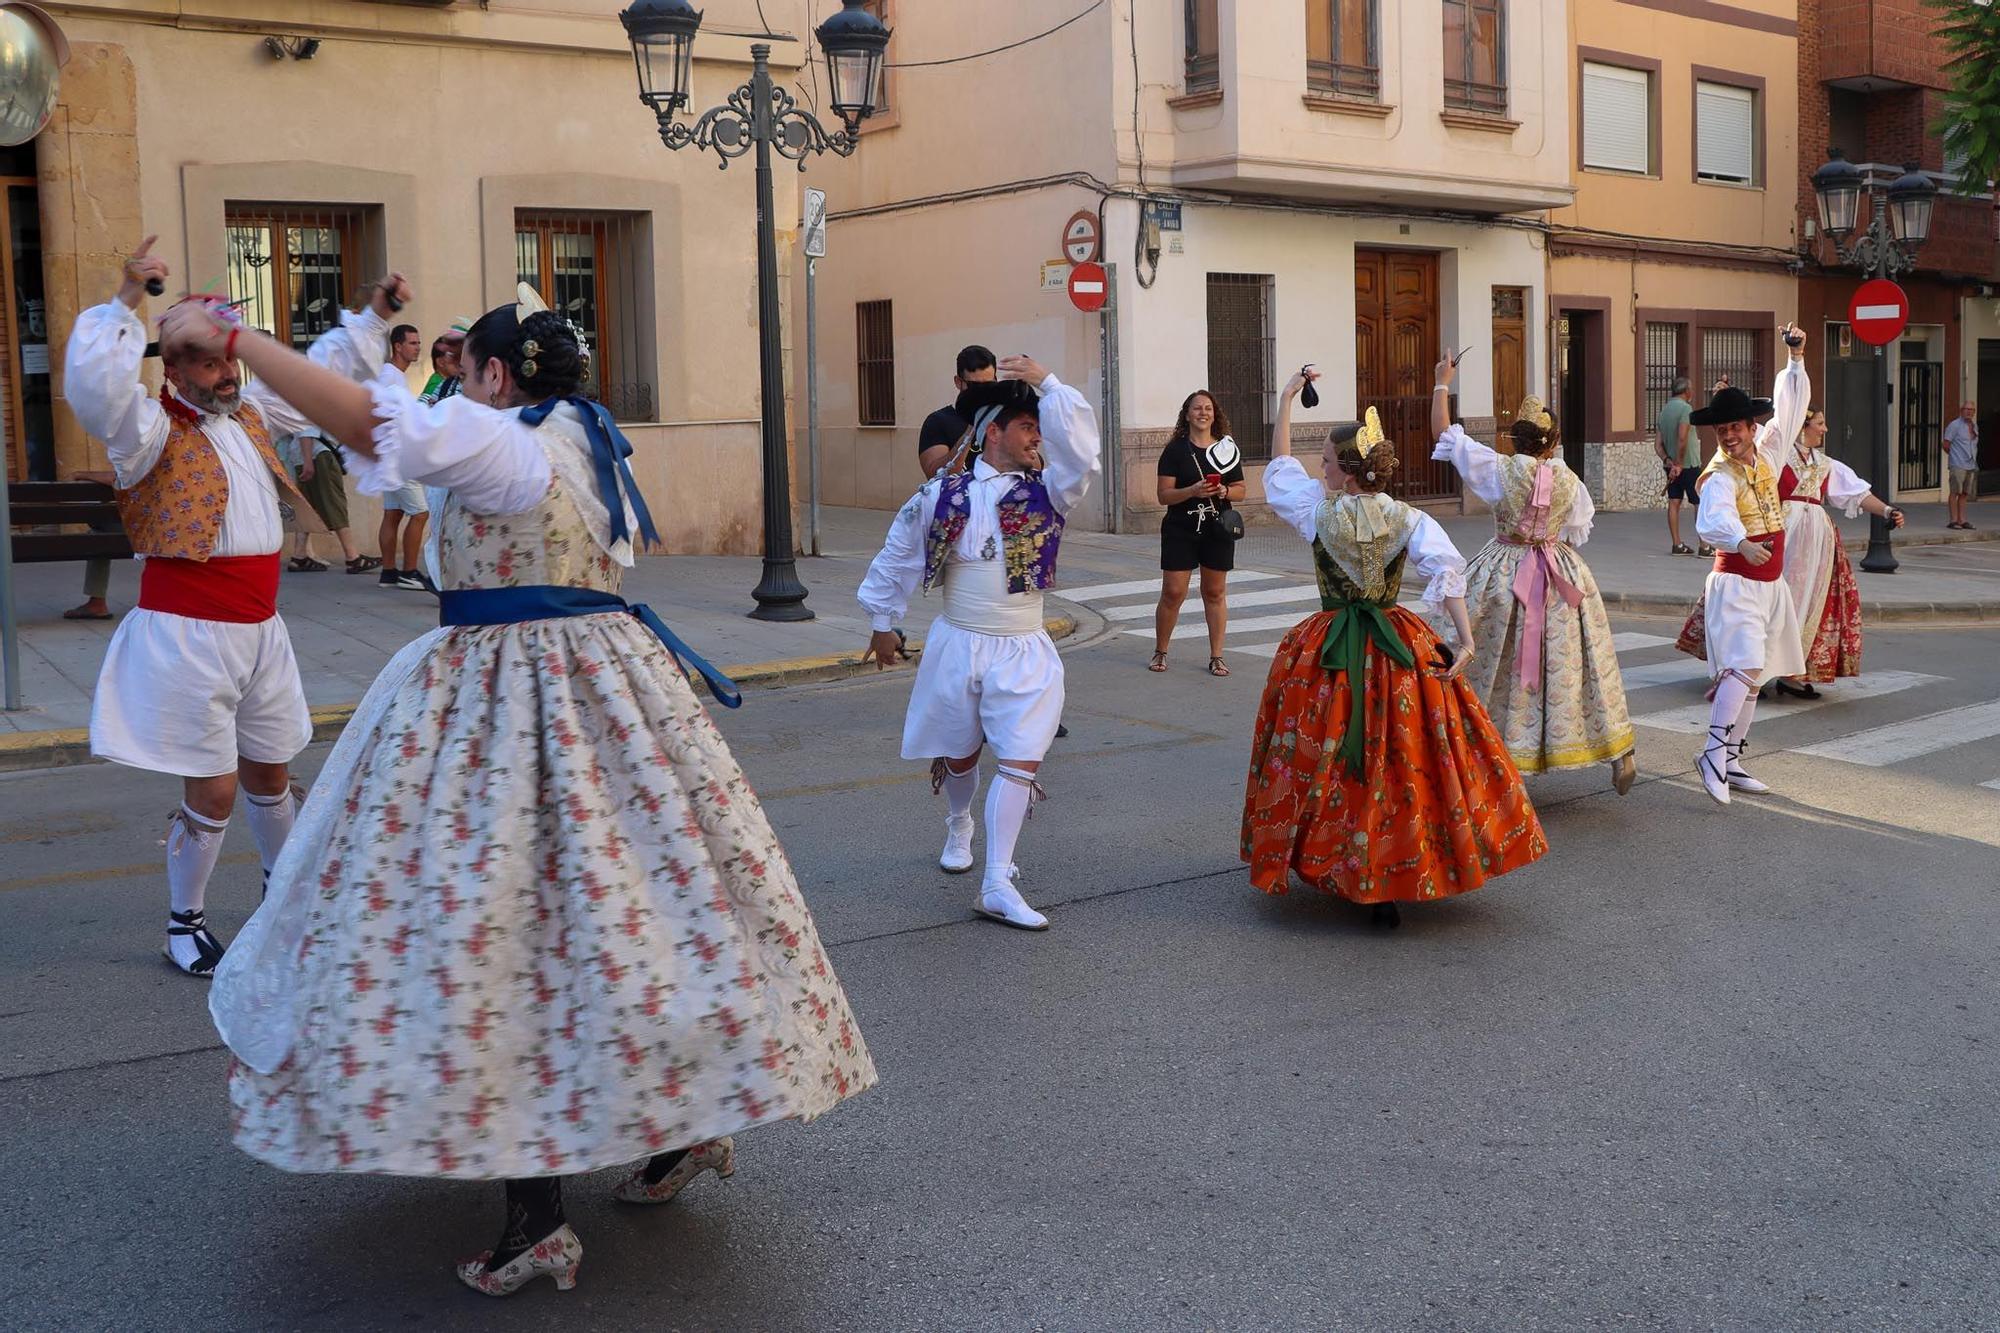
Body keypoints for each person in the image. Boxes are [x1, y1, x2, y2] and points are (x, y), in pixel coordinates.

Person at [195, 278, 876, 1295]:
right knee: (631, 930)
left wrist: (234, 333)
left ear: (497, 376)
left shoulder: (504, 443)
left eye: (462, 369)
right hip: (609, 696)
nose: (448, 386)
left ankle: (537, 1220)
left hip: (505, 703)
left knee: (501, 942)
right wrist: (373, 331)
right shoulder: (581, 443)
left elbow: (371, 419)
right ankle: (677, 1132)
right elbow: (371, 409)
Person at [60, 235, 387, 975]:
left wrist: (371, 317)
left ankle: (283, 901)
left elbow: (320, 377)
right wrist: (127, 299)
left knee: (271, 771)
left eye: (227, 359)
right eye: (206, 361)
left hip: (261, 628)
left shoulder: (248, 414)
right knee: (211, 787)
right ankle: (186, 921)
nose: (225, 373)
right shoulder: (144, 431)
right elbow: (95, 391)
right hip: (187, 632)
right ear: (171, 366)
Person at [1242, 369, 1546, 929]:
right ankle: (1392, 867)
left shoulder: (1317, 512)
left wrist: (1284, 400)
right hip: (1395, 642)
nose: (1321, 470)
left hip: (1329, 647)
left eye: (1328, 463)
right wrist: (1465, 638)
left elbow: (1280, 471)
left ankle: (1336, 860)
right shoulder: (1409, 517)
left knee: (1325, 753)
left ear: (1346, 471)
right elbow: (1447, 568)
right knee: (1403, 758)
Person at [857, 354, 1099, 931]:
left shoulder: (1052, 492)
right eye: (1025, 426)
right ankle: (959, 821)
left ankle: (997, 883)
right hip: (960, 641)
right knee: (962, 752)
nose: (1036, 435)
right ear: (994, 432)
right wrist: (883, 620)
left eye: (1038, 425)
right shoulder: (942, 493)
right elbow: (899, 551)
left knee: (1019, 760)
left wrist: (1050, 384)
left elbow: (1084, 453)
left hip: (1023, 645)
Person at [1430, 359, 1637, 794]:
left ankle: (1507, 758)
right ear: (1555, 441)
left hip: (1505, 567)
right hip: (1559, 571)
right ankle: (1619, 752)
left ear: (1514, 440)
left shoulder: (1498, 468)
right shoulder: (1570, 480)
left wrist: (1441, 384)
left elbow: (1445, 435)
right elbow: (1579, 527)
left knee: (1490, 659)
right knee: (1581, 664)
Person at [1675, 408, 1903, 696]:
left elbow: (1854, 492)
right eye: (1820, 423)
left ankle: (1787, 672)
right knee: (1757, 604)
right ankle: (1739, 672)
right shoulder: (1775, 455)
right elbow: (1751, 437)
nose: (1824, 429)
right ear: (1802, 426)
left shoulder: (1824, 463)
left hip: (1814, 543)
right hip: (1778, 533)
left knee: (1805, 602)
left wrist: (1886, 510)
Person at [1681, 324, 1811, 806]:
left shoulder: (1769, 453)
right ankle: (1712, 754)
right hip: (1736, 581)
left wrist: (1794, 359)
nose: (1730, 436)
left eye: (1736, 428)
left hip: (1770, 583)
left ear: (1751, 428)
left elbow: (1792, 409)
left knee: (1756, 674)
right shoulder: (1718, 476)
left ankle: (1732, 758)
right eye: (1722, 430)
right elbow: (1711, 523)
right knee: (1743, 666)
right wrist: (1741, 541)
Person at [1150, 389, 1247, 677]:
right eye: (1197, 408)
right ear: (1187, 414)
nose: (1203, 413)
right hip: (1181, 529)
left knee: (1214, 592)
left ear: (1215, 414)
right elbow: (1163, 495)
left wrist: (1224, 490)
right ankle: (1161, 650)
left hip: (1217, 529)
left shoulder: (1226, 450)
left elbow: (1241, 490)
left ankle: (1217, 655)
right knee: (1173, 592)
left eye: (1208, 408)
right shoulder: (1175, 450)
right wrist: (1192, 490)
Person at [376, 322, 434, 590]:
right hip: (398, 455)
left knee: (393, 512)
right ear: (397, 346)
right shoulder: (390, 377)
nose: (417, 348)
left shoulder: (393, 376)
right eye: (412, 343)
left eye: (418, 343)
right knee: (420, 512)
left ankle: (388, 572)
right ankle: (409, 572)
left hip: (389, 455)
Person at [280, 427, 375, 573]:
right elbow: (307, 429)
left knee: (309, 507)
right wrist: (308, 462)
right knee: (334, 503)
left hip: (302, 456)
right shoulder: (309, 404)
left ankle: (299, 556)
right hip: (317, 455)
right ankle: (353, 557)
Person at [915, 344, 997, 480]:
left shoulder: (1002, 417)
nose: (982, 392)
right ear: (958, 382)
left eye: (988, 385)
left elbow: (1034, 466)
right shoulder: (938, 421)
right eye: (974, 386)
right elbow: (937, 476)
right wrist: (972, 426)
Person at [62, 468, 120, 620]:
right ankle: (96, 603)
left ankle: (97, 602)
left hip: (143, 531)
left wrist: (79, 474)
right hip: (164, 530)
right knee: (100, 537)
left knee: (98, 537)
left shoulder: (143, 452)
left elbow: (116, 478)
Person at [1657, 376, 1704, 554]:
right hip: (1688, 464)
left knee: (1674, 501)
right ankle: (1704, 545)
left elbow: (1658, 445)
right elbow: (1682, 437)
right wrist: (1679, 462)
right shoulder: (1686, 409)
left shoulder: (1664, 411)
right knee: (1698, 502)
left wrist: (1667, 461)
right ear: (1687, 391)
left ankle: (1677, 544)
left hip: (1671, 467)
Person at [1945, 400, 1978, 529]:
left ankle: (1962, 520)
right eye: (1966, 409)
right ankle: (1953, 520)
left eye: (1971, 410)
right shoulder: (1954, 425)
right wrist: (1954, 457)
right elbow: (1946, 444)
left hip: (1971, 464)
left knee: (1964, 494)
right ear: (1961, 410)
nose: (1969, 412)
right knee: (1955, 492)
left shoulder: (1974, 427)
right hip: (1957, 464)